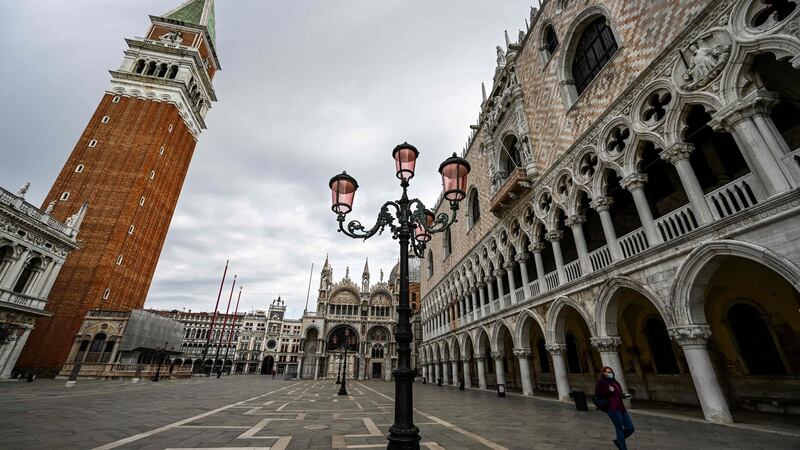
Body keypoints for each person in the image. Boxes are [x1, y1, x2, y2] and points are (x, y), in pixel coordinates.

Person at [595, 366, 634, 450]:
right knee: (619, 428)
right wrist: (608, 391)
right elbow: (598, 395)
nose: (611, 373)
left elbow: (618, 394)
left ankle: (618, 441)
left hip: (621, 408)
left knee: (630, 428)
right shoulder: (601, 382)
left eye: (611, 372)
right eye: (608, 372)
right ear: (604, 373)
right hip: (612, 409)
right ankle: (623, 448)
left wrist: (624, 395)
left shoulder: (615, 382)